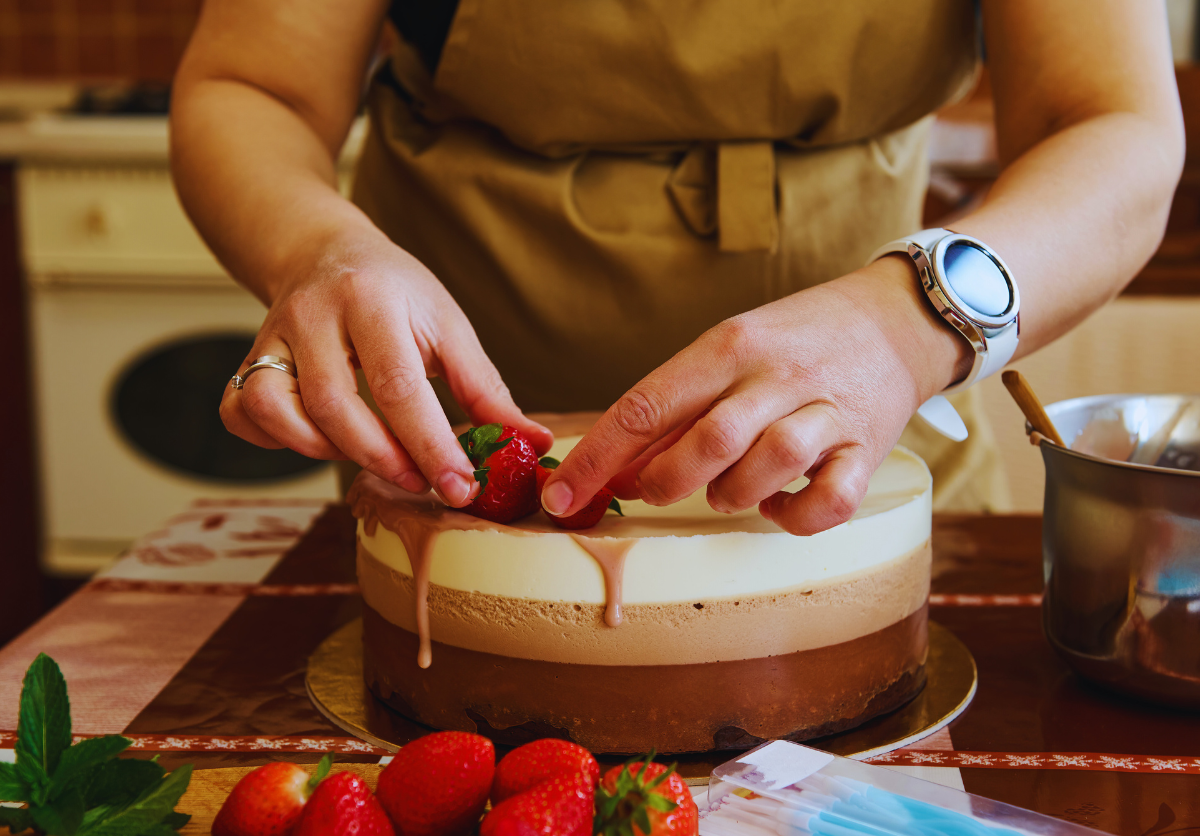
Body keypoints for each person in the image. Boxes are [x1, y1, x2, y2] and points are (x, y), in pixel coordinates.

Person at [171, 0, 1183, 536]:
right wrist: (319, 248)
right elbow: (252, 87)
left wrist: (901, 326)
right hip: (459, 499)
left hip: (850, 487)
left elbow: (1113, 126)